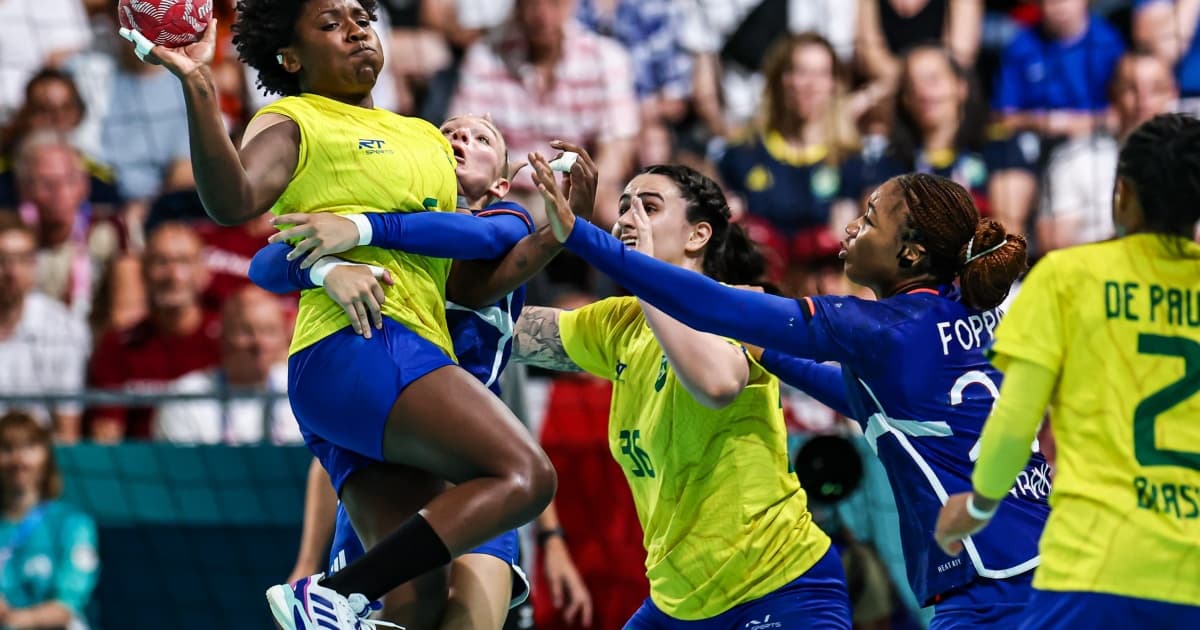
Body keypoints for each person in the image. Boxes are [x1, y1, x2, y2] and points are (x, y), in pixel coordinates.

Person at [117, 2, 557, 628]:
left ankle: (340, 599)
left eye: (361, 17)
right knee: (528, 475)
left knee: (418, 603)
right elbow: (236, 203)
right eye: (329, 23)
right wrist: (200, 86)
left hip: (395, 368)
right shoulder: (296, 120)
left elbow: (472, 262)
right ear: (290, 57)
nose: (355, 30)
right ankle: (335, 591)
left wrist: (551, 239)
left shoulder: (427, 139)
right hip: (361, 349)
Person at [536, 169, 1052, 627]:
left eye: (870, 219)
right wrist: (771, 353)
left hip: (993, 583)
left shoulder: (881, 328)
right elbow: (866, 403)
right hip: (1045, 552)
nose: (851, 227)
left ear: (911, 253)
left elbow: (711, 304)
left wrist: (581, 234)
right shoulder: (961, 310)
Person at [256, 119, 595, 629]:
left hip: (476, 474)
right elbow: (266, 261)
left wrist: (565, 235)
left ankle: (332, 592)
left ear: (502, 183)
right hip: (392, 460)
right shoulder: (385, 236)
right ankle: (328, 591)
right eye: (449, 133)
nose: (461, 140)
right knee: (410, 612)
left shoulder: (501, 226)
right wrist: (325, 264)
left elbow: (487, 250)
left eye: (482, 139)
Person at [509, 162, 851, 628]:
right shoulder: (617, 324)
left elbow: (717, 384)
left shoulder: (739, 308)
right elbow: (502, 330)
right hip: (677, 604)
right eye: (624, 207)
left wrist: (647, 273)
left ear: (697, 236)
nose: (629, 219)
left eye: (649, 208)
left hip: (778, 586)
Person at [934, 114, 1200, 627]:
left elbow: (1015, 420)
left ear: (1122, 194)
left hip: (1094, 562)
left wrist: (979, 507)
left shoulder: (1066, 277)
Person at [0, 411, 99, 628]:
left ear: (46, 456)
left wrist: (18, 619)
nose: (18, 460)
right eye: (7, 448)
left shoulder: (73, 523)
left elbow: (67, 606)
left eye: (29, 448)